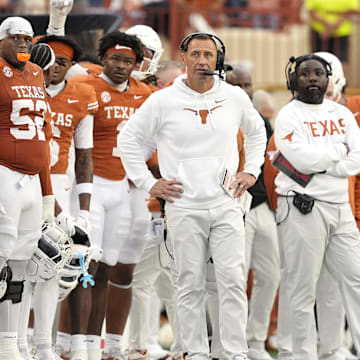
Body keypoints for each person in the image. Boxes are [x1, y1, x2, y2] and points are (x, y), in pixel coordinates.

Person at [118, 32, 267, 360]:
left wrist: (251, 171)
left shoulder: (233, 96)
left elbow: (257, 134)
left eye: (208, 55)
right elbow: (127, 141)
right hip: (183, 206)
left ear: (217, 59)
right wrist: (148, 183)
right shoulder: (162, 100)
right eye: (195, 54)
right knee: (188, 282)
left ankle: (233, 352)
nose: (202, 61)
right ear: (183, 58)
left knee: (231, 280)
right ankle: (196, 352)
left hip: (226, 204)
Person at [274, 53, 360, 360]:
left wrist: (323, 160)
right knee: (302, 288)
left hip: (341, 208)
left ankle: (337, 350)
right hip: (302, 208)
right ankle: (302, 355)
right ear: (294, 80)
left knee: (354, 280)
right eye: (306, 73)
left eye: (319, 74)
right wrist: (338, 154)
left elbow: (356, 160)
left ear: (329, 80)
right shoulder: (288, 115)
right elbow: (299, 160)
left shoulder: (343, 114)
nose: (312, 78)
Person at [72, 31, 152, 360]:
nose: (120, 66)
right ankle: (71, 341)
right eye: (114, 58)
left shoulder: (144, 94)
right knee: (81, 266)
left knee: (107, 267)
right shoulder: (85, 85)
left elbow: (152, 138)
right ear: (102, 57)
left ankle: (95, 343)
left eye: (127, 61)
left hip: (122, 186)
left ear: (137, 64)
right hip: (89, 185)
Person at [0, 16, 55, 359]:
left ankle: (8, 343)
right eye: (16, 38)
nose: (23, 44)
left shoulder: (35, 72)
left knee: (21, 264)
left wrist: (48, 192)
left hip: (33, 179)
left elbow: (45, 135)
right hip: (4, 173)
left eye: (27, 39)